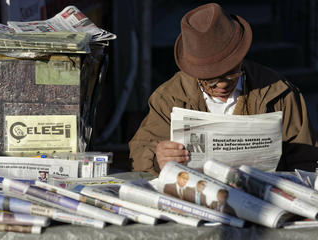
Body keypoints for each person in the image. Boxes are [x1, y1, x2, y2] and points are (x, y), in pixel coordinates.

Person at [129, 3, 318, 176]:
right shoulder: (169, 97)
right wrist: (158, 159)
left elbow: (306, 159)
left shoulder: (278, 92)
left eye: (230, 73)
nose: (221, 85)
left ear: (241, 57)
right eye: (210, 80)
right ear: (194, 72)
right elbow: (139, 154)